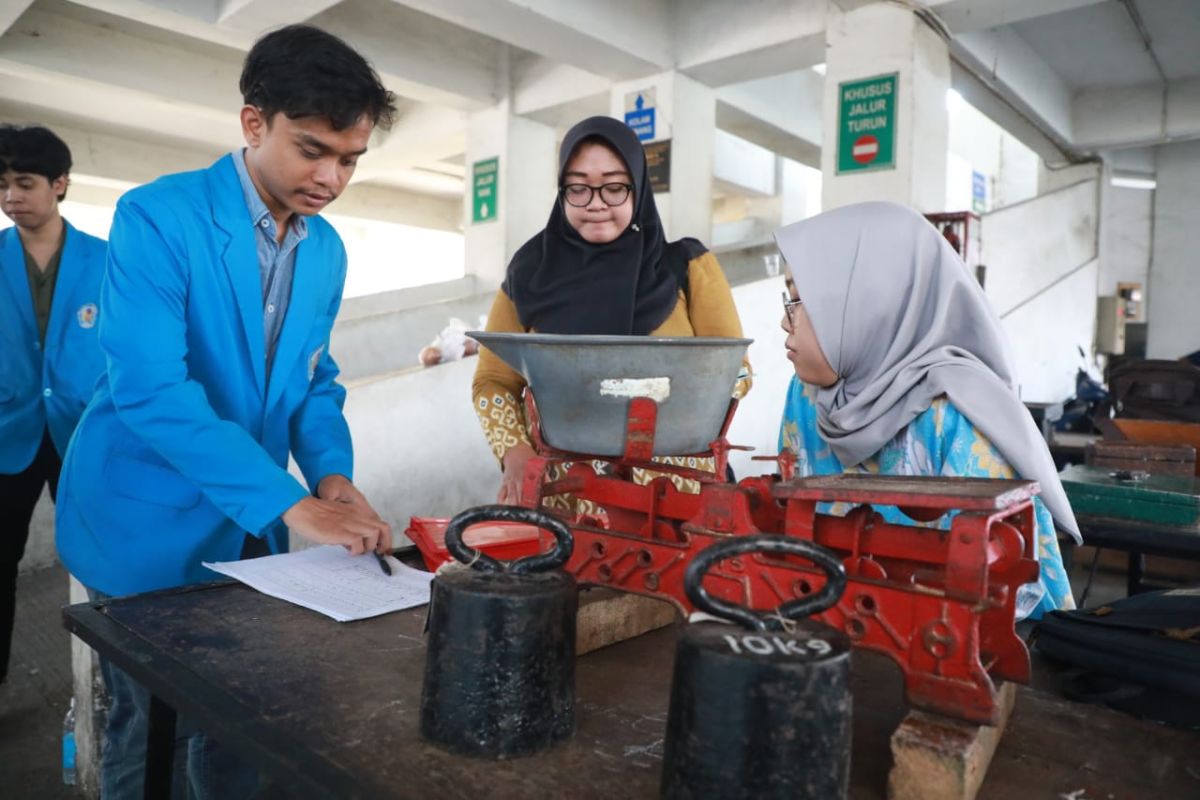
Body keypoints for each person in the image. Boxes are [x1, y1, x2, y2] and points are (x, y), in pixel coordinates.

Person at [54, 25, 395, 798]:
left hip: (250, 528)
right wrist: (292, 501)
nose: (332, 178)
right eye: (313, 150)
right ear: (253, 123)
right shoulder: (158, 218)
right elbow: (150, 390)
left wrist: (332, 475)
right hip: (145, 517)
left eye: (350, 160)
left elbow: (314, 381)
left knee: (239, 719)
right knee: (150, 727)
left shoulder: (327, 248)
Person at [775, 201, 1077, 620]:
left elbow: (1006, 588)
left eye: (797, 300)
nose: (784, 323)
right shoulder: (807, 394)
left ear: (869, 302)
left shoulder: (958, 414)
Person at [471, 116, 750, 505]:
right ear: (562, 191)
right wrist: (514, 453)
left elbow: (737, 369)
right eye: (579, 188)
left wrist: (660, 392)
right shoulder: (529, 272)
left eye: (615, 187)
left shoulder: (686, 267)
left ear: (638, 187)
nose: (597, 203)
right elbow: (492, 382)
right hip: (568, 503)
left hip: (679, 499)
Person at [0, 125, 107, 685]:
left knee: (103, 557)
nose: (11, 196)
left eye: (25, 183)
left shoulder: (106, 260)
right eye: (2, 185)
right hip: (5, 435)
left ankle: (121, 678)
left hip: (83, 430)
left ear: (60, 184)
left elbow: (128, 348)